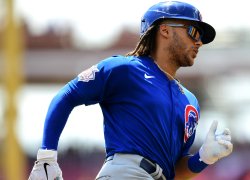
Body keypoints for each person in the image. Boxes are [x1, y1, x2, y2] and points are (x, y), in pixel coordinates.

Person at [28, 1, 233, 179]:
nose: (199, 42)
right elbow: (67, 95)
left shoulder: (190, 101)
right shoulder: (124, 69)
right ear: (165, 30)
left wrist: (203, 158)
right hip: (126, 173)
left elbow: (174, 173)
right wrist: (47, 157)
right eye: (193, 31)